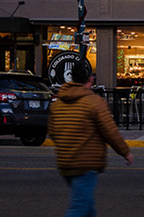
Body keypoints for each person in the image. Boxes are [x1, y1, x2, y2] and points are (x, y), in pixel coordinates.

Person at [47, 57, 132, 217]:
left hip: (66, 163)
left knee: (87, 208)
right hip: (86, 164)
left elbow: (52, 131)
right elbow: (110, 131)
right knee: (78, 208)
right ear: (90, 80)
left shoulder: (58, 103)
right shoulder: (94, 102)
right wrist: (125, 152)